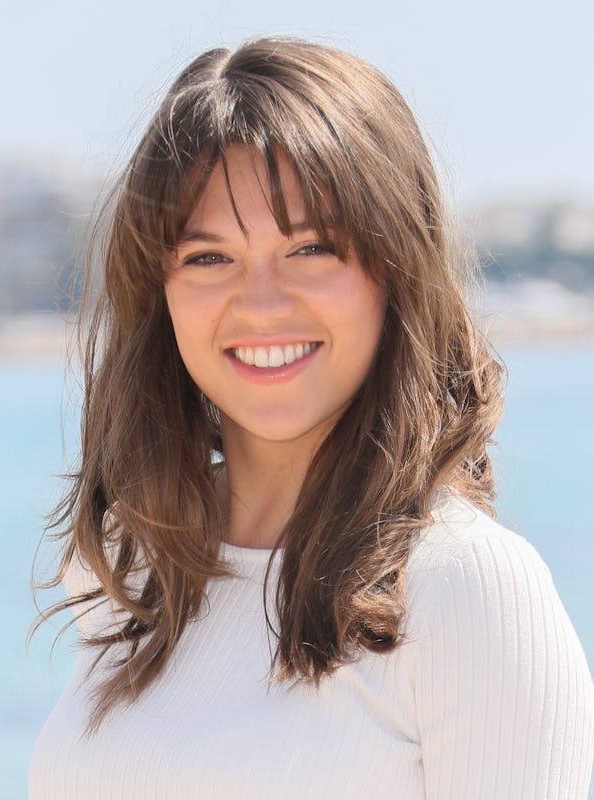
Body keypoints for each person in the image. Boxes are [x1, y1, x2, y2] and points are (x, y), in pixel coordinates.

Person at [30, 36, 593, 799]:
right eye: (207, 257)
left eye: (312, 249)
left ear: (395, 267)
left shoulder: (468, 590)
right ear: (158, 294)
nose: (260, 303)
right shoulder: (133, 568)